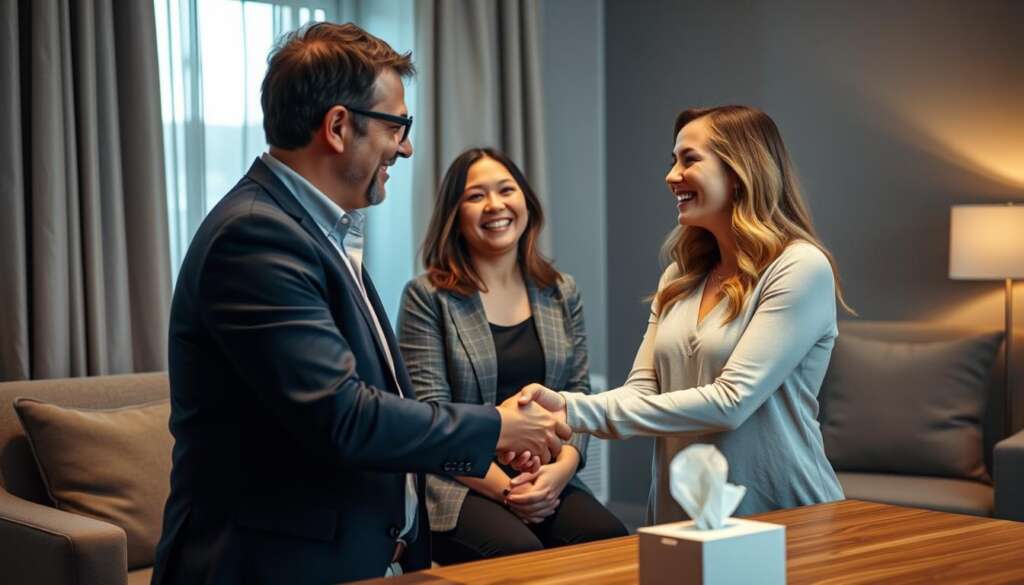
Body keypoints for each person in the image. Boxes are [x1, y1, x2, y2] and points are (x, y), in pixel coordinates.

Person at [151, 23, 569, 585]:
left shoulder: (313, 228)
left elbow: (379, 396)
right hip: (273, 565)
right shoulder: (254, 237)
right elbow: (342, 415)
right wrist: (494, 427)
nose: (407, 145)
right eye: (398, 125)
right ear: (340, 127)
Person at [516, 105, 852, 523]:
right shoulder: (680, 275)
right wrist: (561, 403)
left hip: (783, 514)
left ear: (739, 170)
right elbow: (640, 392)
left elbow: (731, 402)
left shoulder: (799, 267)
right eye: (673, 160)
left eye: (689, 159)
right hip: (682, 514)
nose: (671, 175)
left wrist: (572, 412)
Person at [398, 148, 627, 564]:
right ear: (455, 213)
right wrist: (508, 489)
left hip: (547, 473)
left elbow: (577, 394)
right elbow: (431, 414)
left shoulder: (560, 290)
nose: (495, 205)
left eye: (506, 190)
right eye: (475, 196)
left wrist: (559, 474)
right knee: (519, 553)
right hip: (461, 481)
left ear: (526, 202)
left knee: (609, 539)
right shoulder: (427, 297)